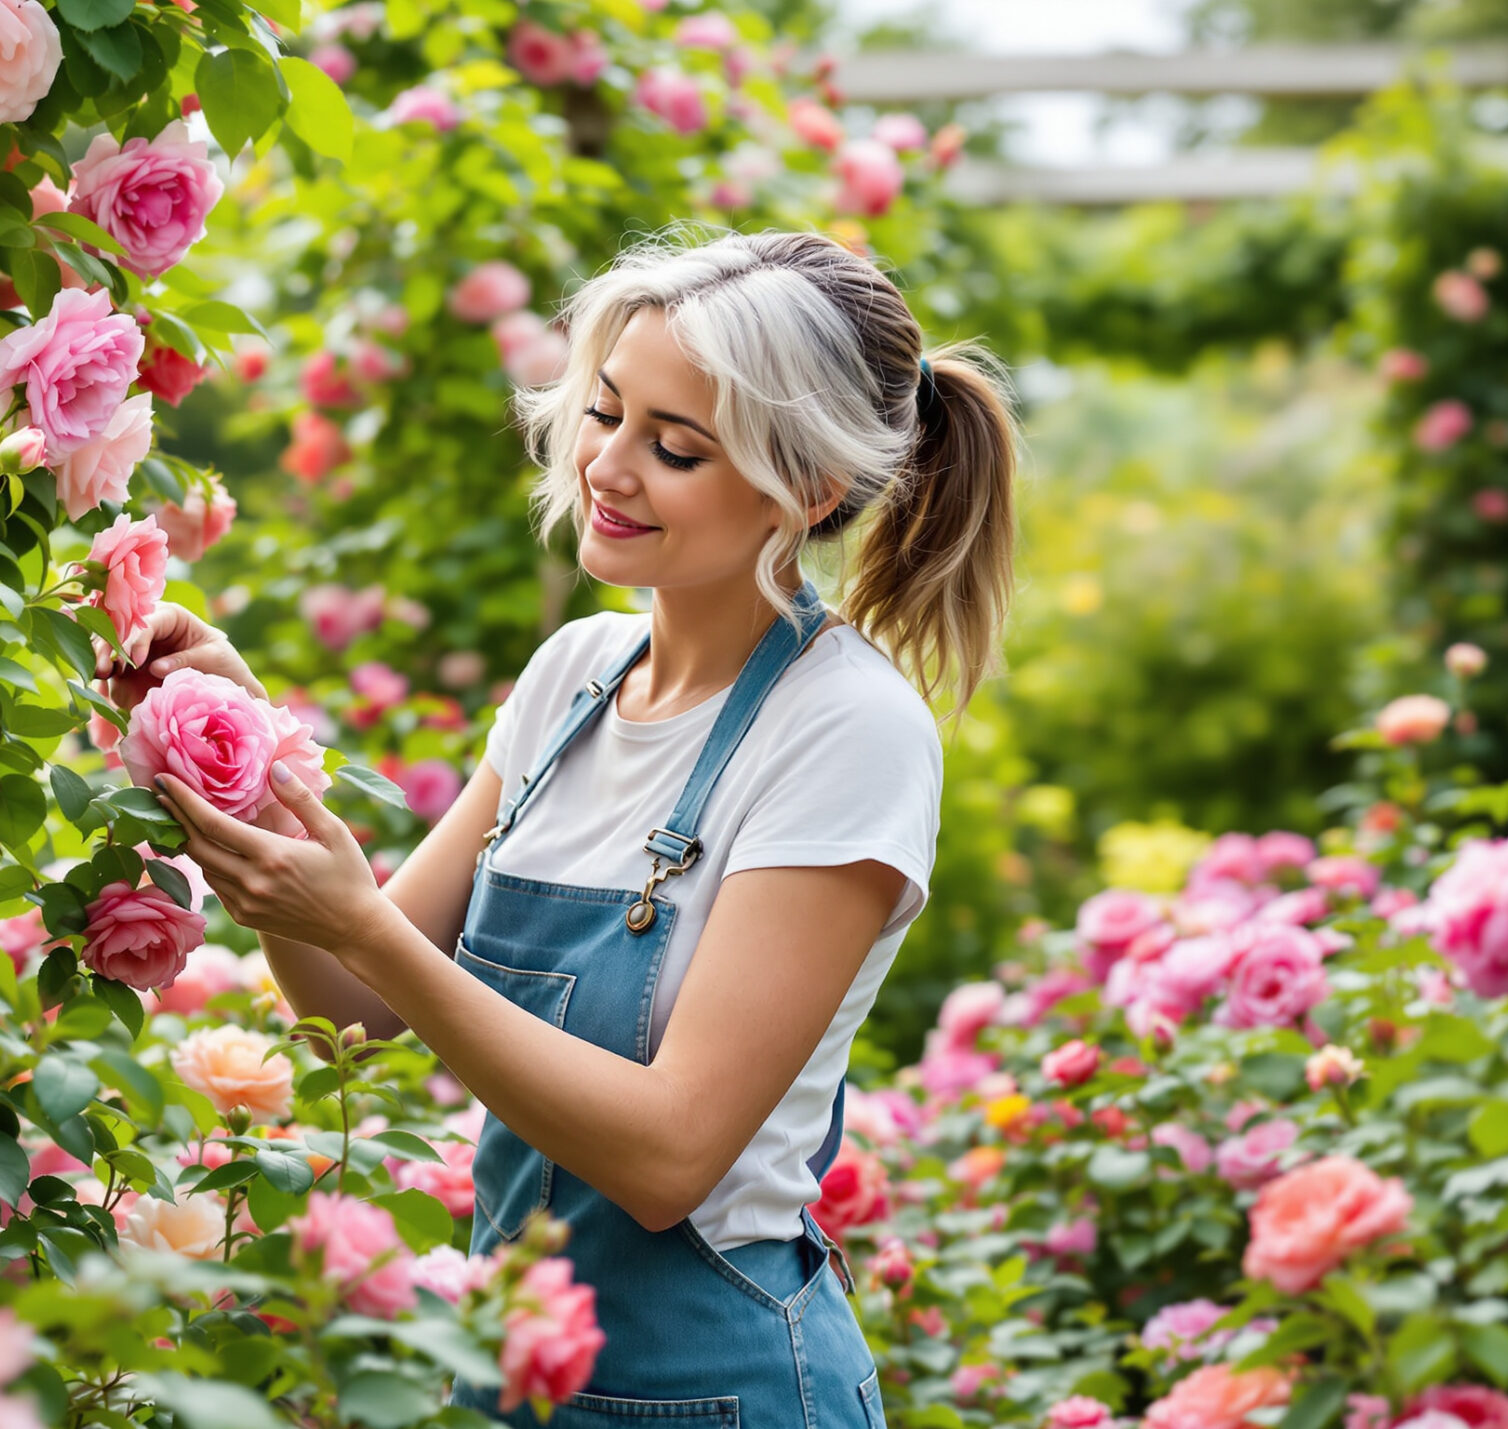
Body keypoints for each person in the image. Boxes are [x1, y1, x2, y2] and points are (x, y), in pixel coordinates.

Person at [125, 228, 1018, 1426]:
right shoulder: (577, 674)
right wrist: (245, 760)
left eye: (676, 446)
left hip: (718, 1391)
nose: (609, 465)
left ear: (805, 488)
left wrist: (367, 931)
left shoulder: (846, 730)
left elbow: (667, 1157)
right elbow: (358, 1006)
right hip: (506, 1373)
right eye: (605, 412)